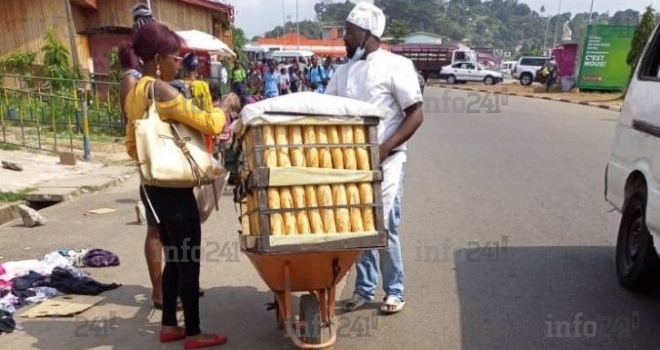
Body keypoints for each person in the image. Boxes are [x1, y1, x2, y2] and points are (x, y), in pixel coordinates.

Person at [122, 22, 231, 348]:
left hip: (153, 184)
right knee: (189, 260)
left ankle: (170, 324)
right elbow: (210, 123)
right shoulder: (162, 91)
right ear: (157, 59)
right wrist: (225, 106)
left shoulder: (134, 92)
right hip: (175, 190)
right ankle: (194, 332)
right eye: (175, 57)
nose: (178, 64)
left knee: (175, 257)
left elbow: (132, 145)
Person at [325, 1, 424, 314]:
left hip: (387, 162)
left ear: (368, 34)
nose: (345, 38)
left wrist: (383, 149)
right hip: (353, 165)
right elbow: (324, 109)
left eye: (350, 32)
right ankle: (364, 290)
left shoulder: (397, 66)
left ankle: (394, 290)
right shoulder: (343, 72)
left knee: (385, 229)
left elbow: (415, 114)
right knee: (361, 227)